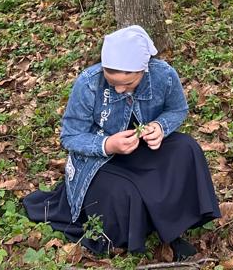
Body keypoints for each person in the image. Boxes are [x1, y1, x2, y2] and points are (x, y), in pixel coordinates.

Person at [23, 25, 220, 258]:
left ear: (144, 69)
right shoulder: (89, 82)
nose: (119, 89)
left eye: (128, 84)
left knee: (187, 148)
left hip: (143, 149)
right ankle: (134, 231)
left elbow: (177, 109)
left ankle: (177, 225)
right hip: (101, 161)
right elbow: (70, 136)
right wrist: (107, 144)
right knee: (125, 191)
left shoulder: (164, 75)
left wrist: (160, 127)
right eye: (112, 81)